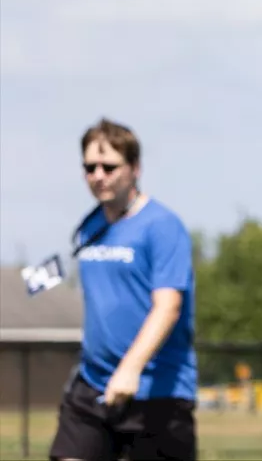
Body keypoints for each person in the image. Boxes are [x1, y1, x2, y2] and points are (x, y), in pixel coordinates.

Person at [49, 118, 198, 461]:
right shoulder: (90, 227)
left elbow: (168, 306)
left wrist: (130, 369)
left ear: (134, 168)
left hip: (156, 392)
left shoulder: (162, 226)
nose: (98, 175)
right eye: (90, 167)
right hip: (92, 386)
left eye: (109, 166)